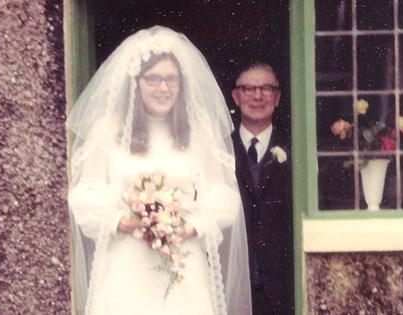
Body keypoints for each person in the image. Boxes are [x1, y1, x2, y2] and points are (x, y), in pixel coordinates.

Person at [67, 26, 251, 315]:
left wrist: (192, 226)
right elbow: (85, 192)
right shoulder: (108, 130)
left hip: (183, 265)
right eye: (153, 79)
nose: (163, 88)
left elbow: (222, 194)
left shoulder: (197, 133)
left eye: (171, 80)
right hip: (126, 265)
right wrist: (125, 221)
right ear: (136, 82)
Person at [230, 61, 295, 315]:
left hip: (282, 289)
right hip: (234, 285)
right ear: (236, 96)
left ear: (277, 97)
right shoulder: (218, 149)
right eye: (248, 88)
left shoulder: (295, 147)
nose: (257, 95)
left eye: (266, 88)